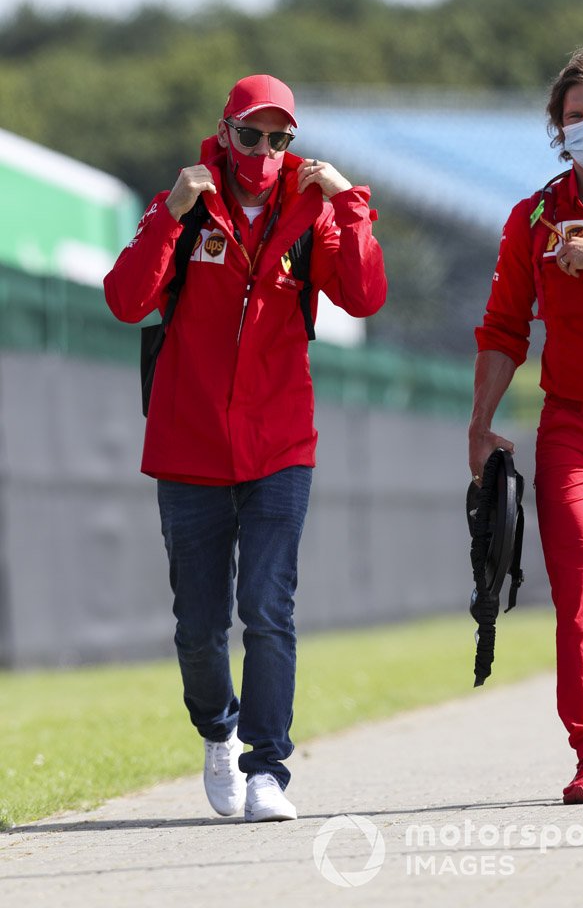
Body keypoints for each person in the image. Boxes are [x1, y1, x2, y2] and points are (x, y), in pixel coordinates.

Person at [104, 74, 386, 822]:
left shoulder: (313, 211)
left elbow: (364, 295)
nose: (265, 150)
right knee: (198, 628)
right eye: (252, 134)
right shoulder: (185, 208)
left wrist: (349, 202)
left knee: (267, 607)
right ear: (225, 133)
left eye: (280, 138)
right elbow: (127, 300)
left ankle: (269, 769)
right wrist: (169, 215)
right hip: (188, 447)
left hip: (280, 445)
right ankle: (217, 732)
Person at [468, 46, 583, 805]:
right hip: (571, 425)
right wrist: (481, 422)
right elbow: (504, 328)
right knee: (581, 593)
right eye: (576, 118)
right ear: (556, 129)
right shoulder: (534, 217)